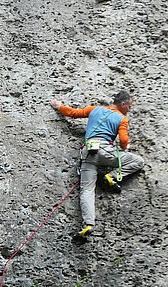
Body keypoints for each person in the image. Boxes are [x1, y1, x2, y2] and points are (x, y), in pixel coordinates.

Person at [50, 91, 145, 243]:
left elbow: (73, 113)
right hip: (106, 151)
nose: (130, 109)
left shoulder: (94, 109)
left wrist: (59, 106)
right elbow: (123, 140)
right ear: (123, 104)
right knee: (138, 161)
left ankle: (88, 224)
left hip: (88, 152)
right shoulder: (122, 118)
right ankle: (111, 176)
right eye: (130, 106)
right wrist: (125, 146)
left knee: (87, 190)